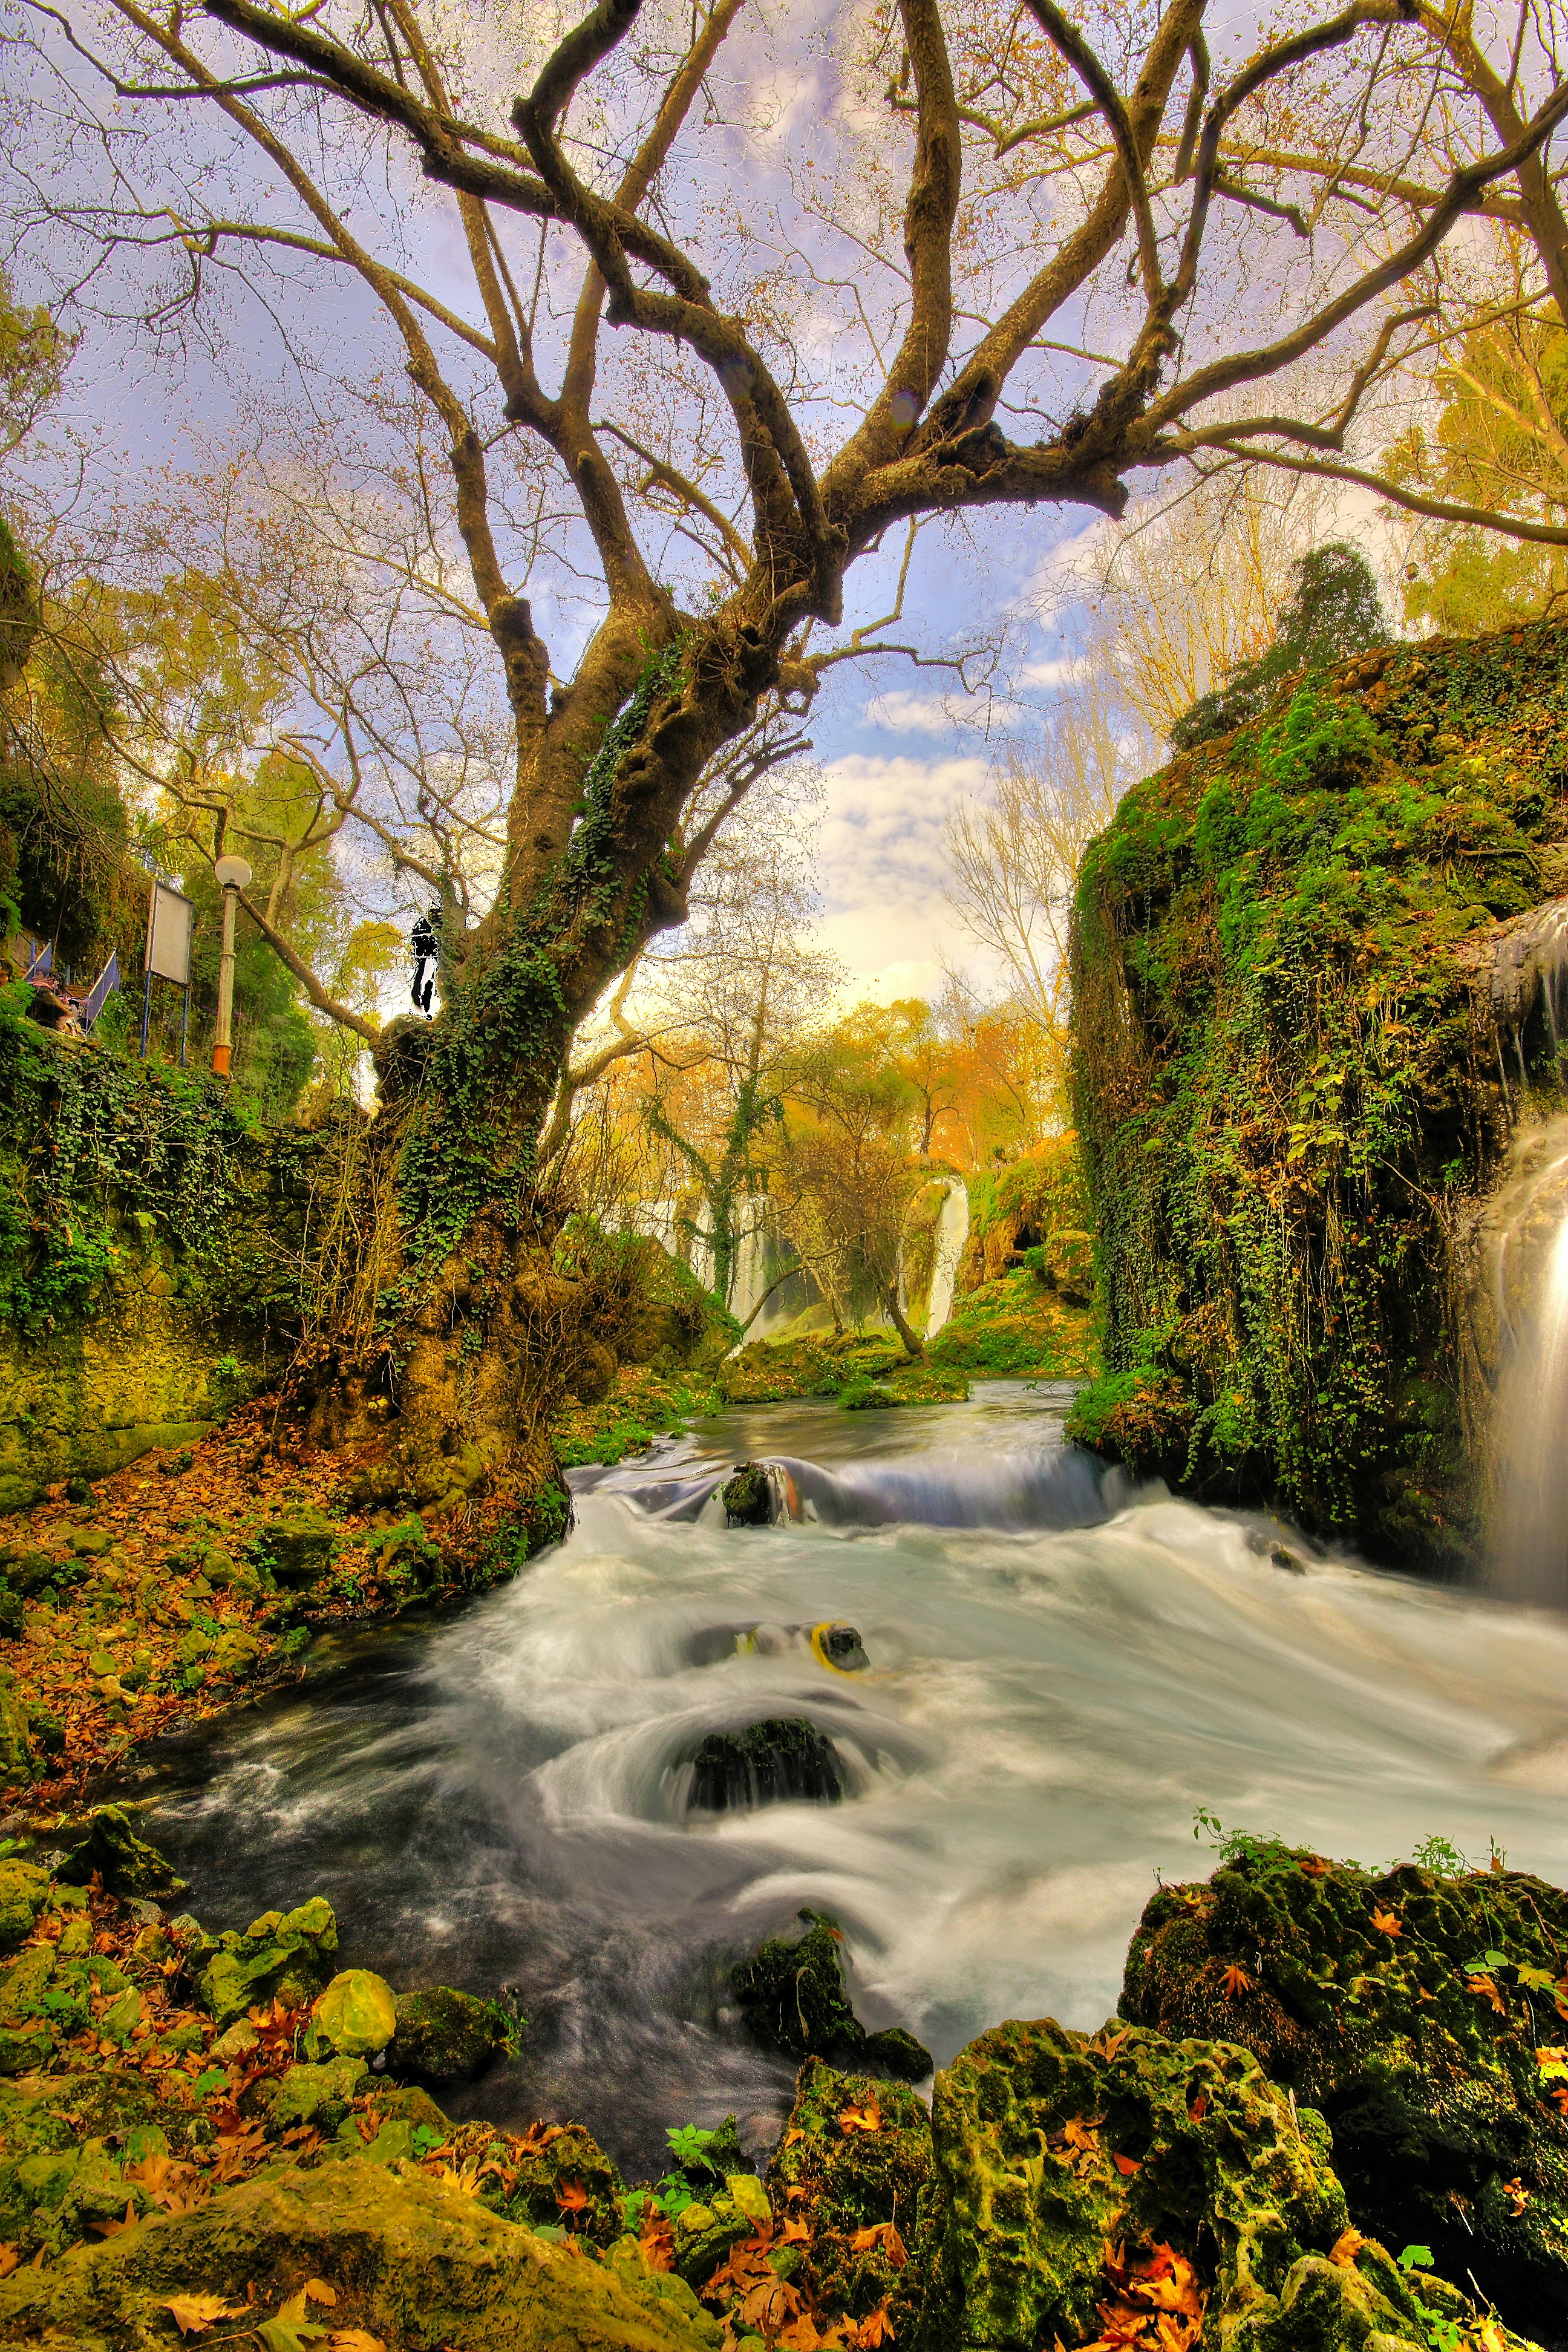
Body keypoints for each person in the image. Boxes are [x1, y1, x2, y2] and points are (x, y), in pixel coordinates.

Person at [410, 906, 440, 1014]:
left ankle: (430, 1001)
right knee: (424, 975)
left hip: (431, 950)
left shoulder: (425, 922)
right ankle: (424, 1004)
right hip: (427, 949)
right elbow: (415, 937)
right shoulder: (424, 922)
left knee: (431, 975)